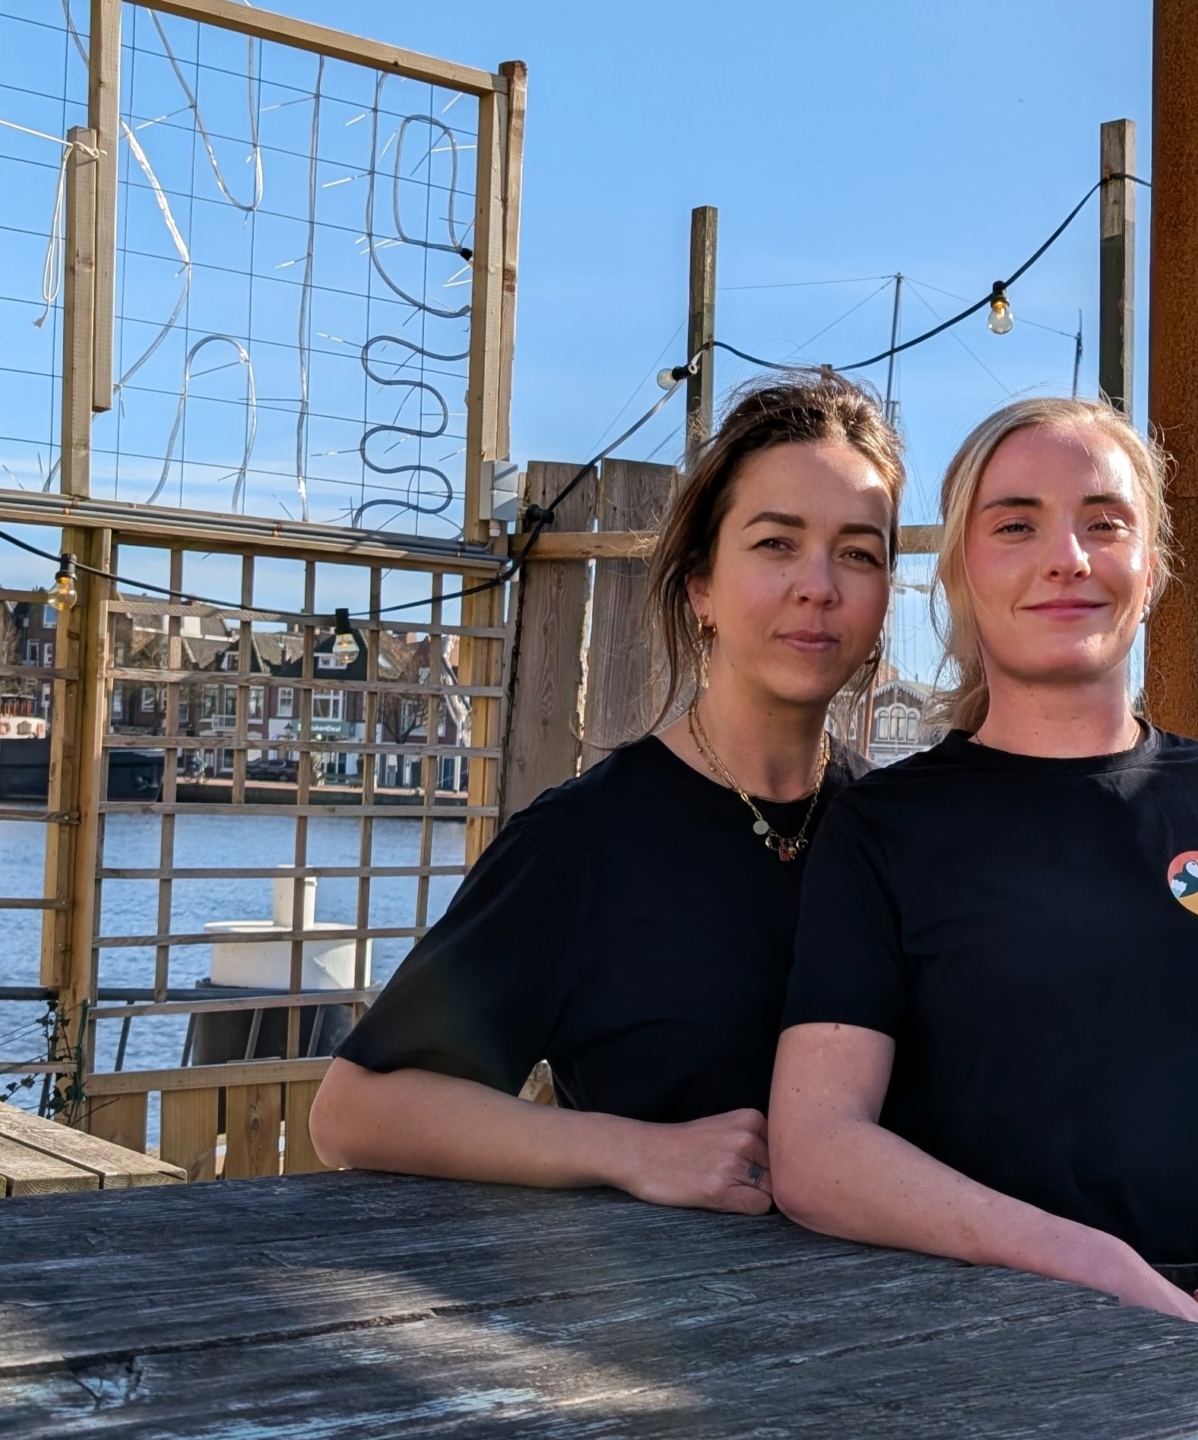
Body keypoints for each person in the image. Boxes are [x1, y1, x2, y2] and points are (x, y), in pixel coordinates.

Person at [768, 397, 1198, 1358]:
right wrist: (1094, 1267)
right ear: (963, 575)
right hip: (988, 1349)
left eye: (1105, 523)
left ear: (1149, 570)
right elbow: (816, 1150)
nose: (1066, 555)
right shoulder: (886, 827)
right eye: (1016, 524)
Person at [308, 372, 903, 1215]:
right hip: (665, 1322)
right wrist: (635, 1151)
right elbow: (357, 1110)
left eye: (858, 552)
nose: (819, 584)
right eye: (775, 543)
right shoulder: (584, 842)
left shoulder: (901, 832)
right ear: (700, 585)